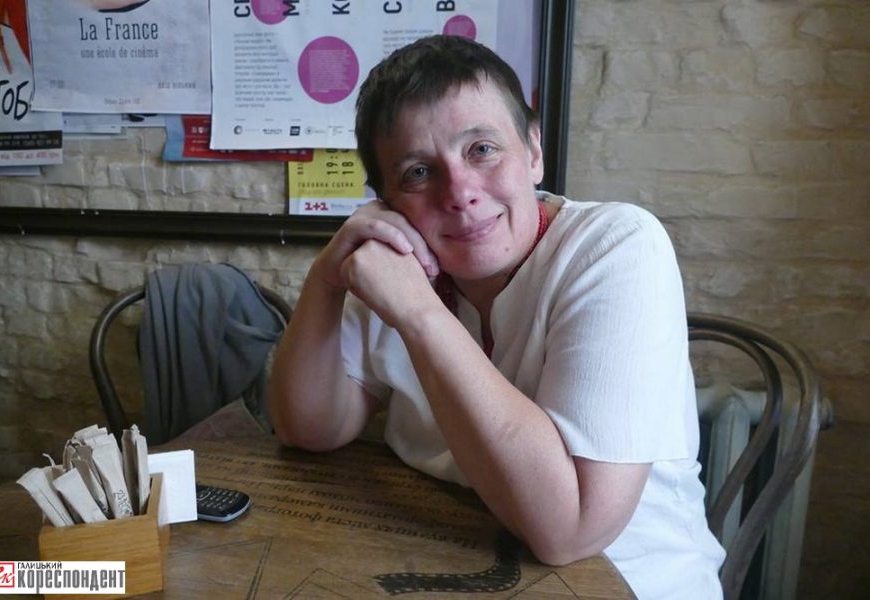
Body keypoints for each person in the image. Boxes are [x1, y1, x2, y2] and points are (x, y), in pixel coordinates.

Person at [268, 34, 725, 599]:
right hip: (458, 563)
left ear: (533, 152)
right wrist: (327, 277)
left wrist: (419, 314)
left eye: (481, 149)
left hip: (630, 580)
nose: (459, 192)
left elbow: (571, 531)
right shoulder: (403, 261)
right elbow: (310, 429)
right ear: (385, 203)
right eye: (418, 172)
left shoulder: (616, 245)